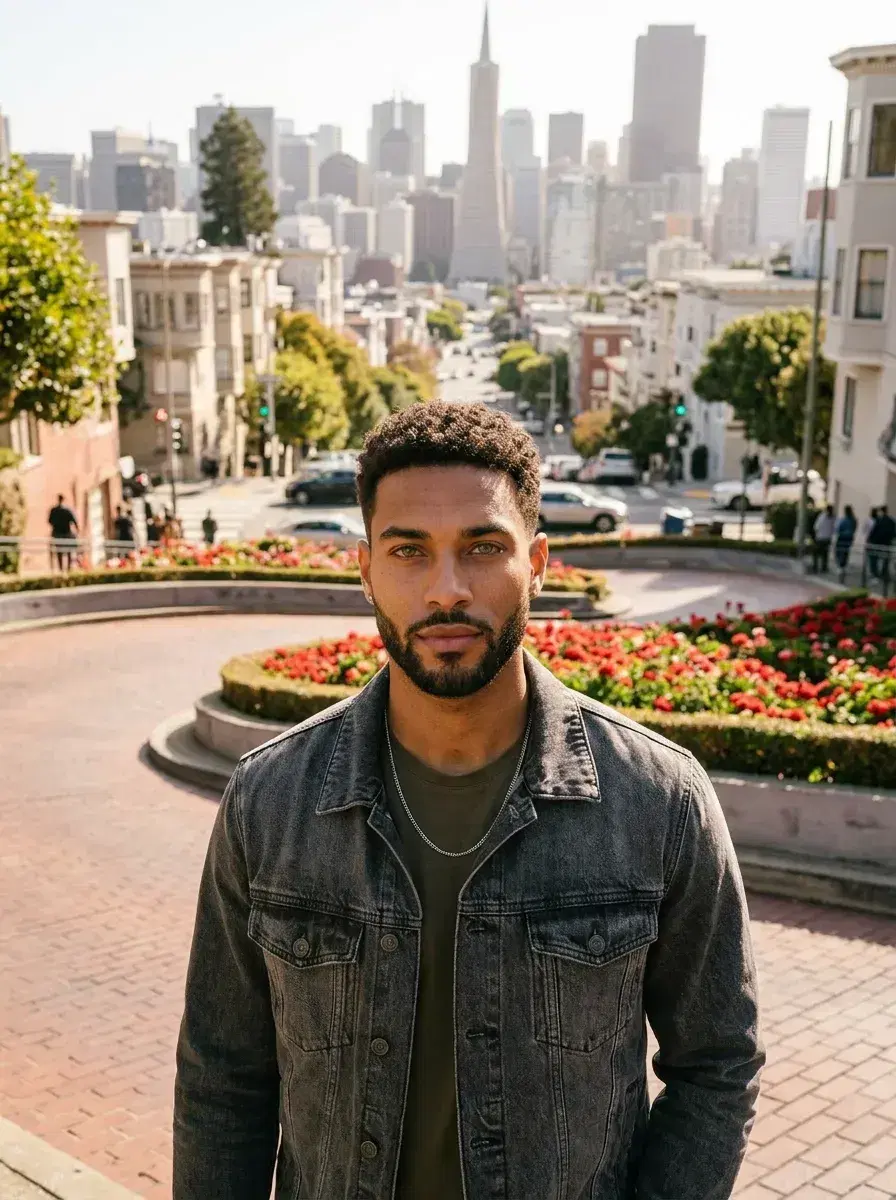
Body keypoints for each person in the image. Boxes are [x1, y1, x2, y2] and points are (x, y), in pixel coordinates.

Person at [174, 403, 764, 1200]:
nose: (446, 591)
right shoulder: (269, 801)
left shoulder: (658, 799)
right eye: (409, 551)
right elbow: (223, 1079)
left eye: (483, 548)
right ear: (366, 570)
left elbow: (717, 1064)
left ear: (540, 561)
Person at [47, 494, 78, 572]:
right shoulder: (67, 510)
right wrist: (77, 530)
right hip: (66, 533)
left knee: (59, 552)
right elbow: (74, 521)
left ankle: (61, 569)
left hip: (57, 534)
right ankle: (68, 569)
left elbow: (50, 521)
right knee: (68, 551)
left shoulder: (54, 510)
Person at [869, 504, 896, 584]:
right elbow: (894, 532)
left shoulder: (878, 520)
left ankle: (875, 574)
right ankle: (884, 574)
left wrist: (870, 540)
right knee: (885, 560)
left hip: (877, 543)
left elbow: (873, 531)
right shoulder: (891, 521)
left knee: (874, 559)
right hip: (887, 543)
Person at [834, 505, 857, 582]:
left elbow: (838, 529)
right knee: (845, 552)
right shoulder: (853, 520)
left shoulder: (844, 520)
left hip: (842, 538)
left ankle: (841, 567)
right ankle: (843, 566)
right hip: (849, 539)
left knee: (839, 552)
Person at [811, 504, 836, 574]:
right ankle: (824, 567)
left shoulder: (822, 516)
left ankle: (815, 567)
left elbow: (816, 527)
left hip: (820, 538)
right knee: (825, 554)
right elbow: (834, 529)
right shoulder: (833, 517)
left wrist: (815, 535)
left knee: (816, 553)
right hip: (828, 538)